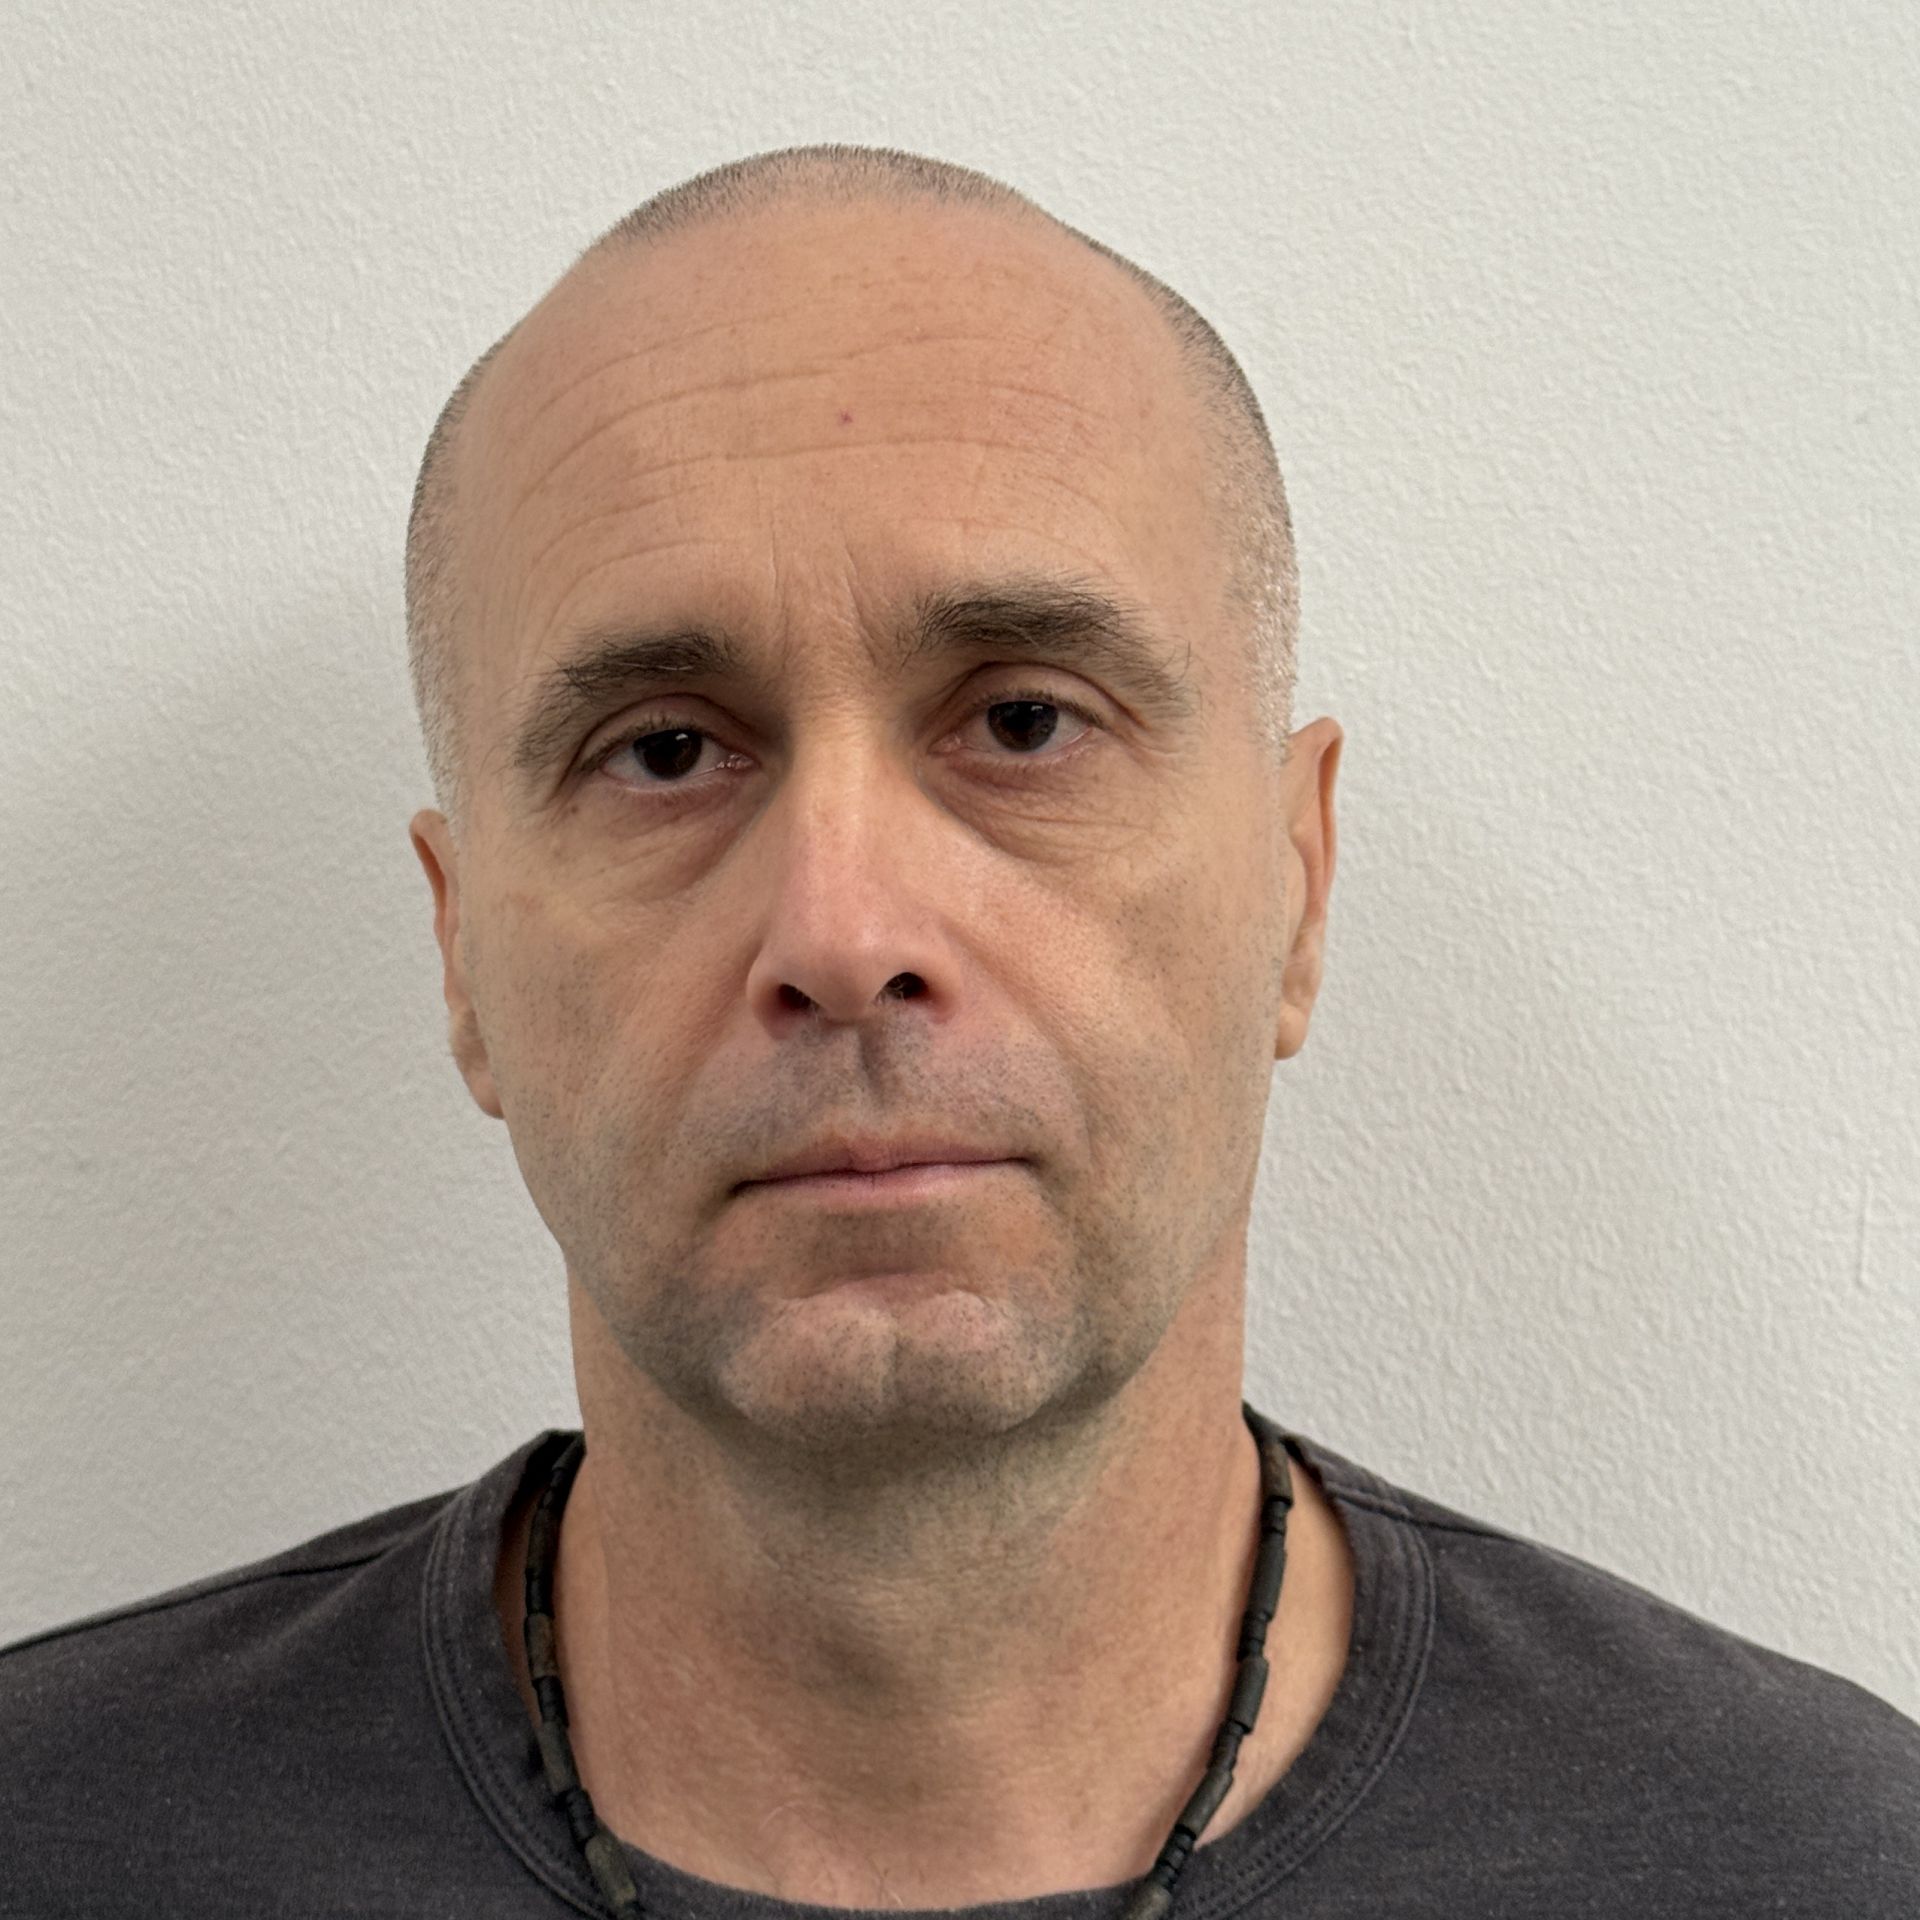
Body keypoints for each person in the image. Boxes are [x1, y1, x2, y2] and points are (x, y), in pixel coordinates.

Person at [2, 143, 1914, 1916]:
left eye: (1023, 722)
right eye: (661, 752)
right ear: (460, 955)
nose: (843, 934)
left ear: (1298, 885)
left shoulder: (1818, 1864)